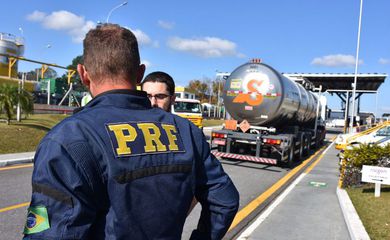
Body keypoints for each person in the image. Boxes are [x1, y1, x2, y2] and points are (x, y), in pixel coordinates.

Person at [23, 24, 239, 240]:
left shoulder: (68, 139)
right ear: (140, 74)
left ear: (83, 74)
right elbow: (225, 200)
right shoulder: (185, 131)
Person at [141, 71, 198, 214]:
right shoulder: (127, 130)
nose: (153, 103)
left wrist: (178, 217)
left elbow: (203, 185)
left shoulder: (187, 133)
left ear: (172, 99)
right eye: (147, 96)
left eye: (160, 97)